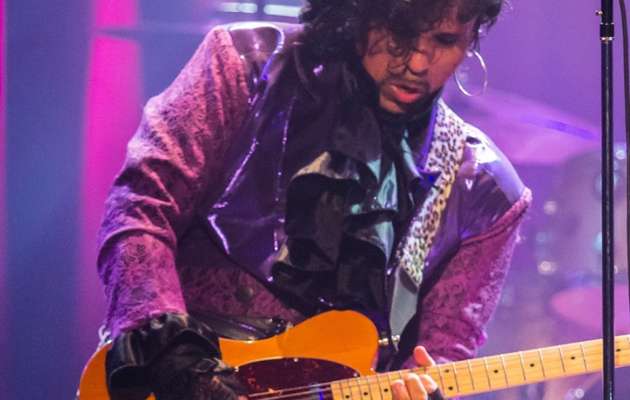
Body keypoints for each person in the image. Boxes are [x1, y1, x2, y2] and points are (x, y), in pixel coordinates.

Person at [97, 0, 531, 399]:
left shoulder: (484, 188)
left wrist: (426, 390)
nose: (417, 63)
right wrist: (175, 360)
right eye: (400, 33)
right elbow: (141, 207)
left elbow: (443, 355)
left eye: (445, 40)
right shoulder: (248, 65)